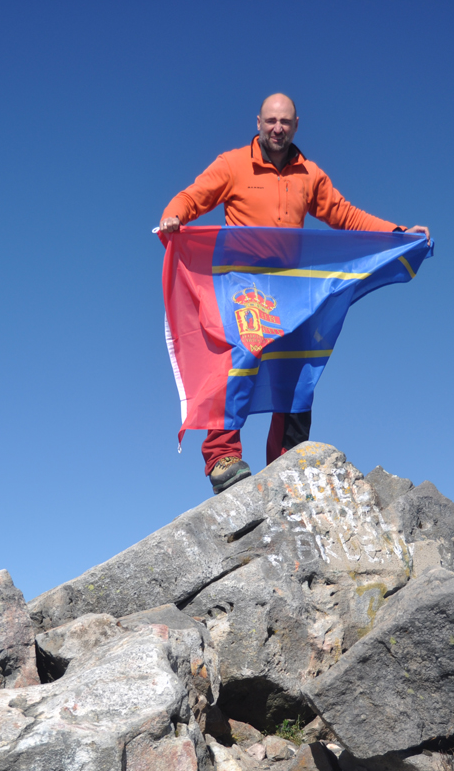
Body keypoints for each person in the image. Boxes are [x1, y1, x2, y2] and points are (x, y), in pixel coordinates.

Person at [159, 93, 429, 494]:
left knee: (298, 369)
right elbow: (194, 195)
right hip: (246, 286)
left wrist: (395, 234)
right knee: (238, 361)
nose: (277, 129)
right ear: (258, 122)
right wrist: (175, 213)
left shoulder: (310, 174)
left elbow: (344, 214)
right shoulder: (232, 164)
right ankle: (222, 457)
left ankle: (288, 458)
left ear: (296, 125)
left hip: (294, 287)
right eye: (270, 121)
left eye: (285, 122)